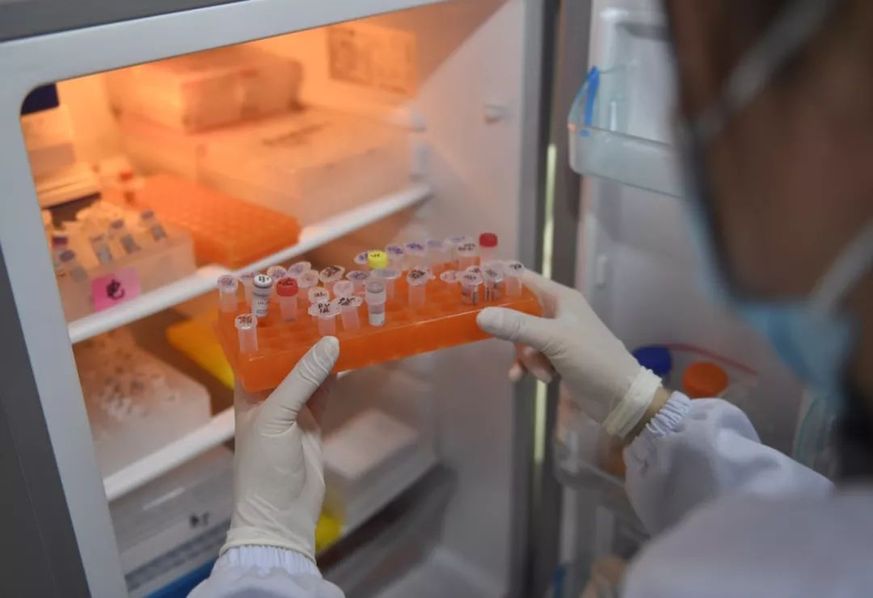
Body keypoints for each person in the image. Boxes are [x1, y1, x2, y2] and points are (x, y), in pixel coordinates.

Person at [192, 0, 873, 595]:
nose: (683, 121)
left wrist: (268, 543)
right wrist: (640, 406)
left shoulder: (694, 583)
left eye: (699, 83)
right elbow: (791, 528)